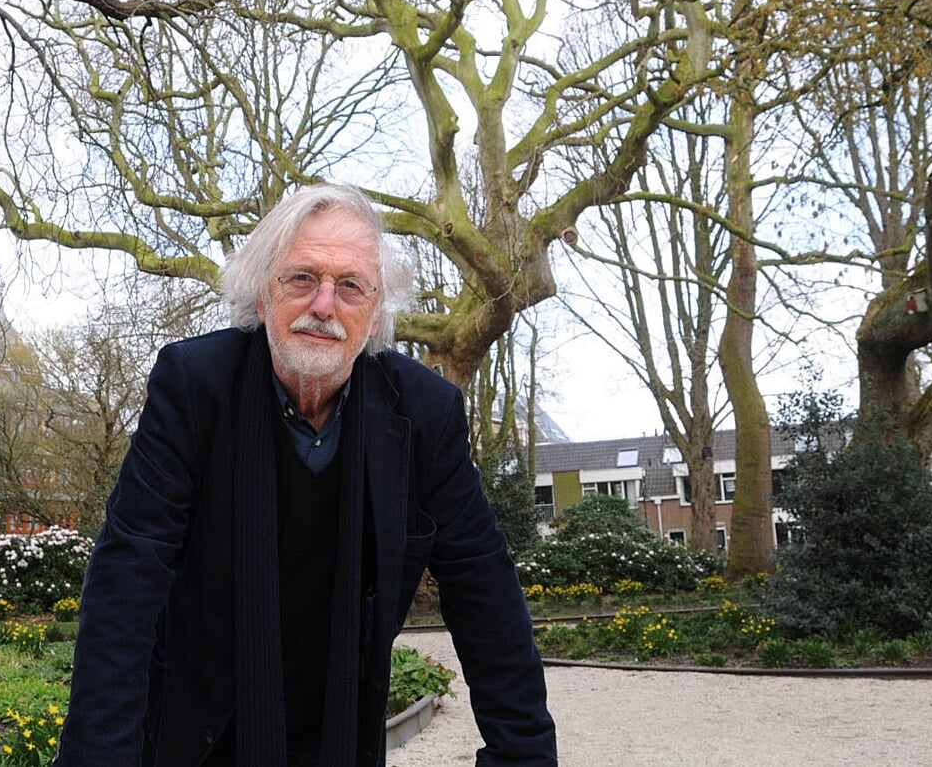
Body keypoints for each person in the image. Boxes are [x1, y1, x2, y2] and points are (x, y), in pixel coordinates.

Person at [53, 184, 556, 767]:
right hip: (197, 731)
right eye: (300, 279)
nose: (324, 305)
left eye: (350, 286)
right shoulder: (193, 386)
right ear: (262, 296)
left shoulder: (425, 414)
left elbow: (483, 588)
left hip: (341, 730)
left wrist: (522, 756)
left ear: (373, 317)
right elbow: (128, 575)